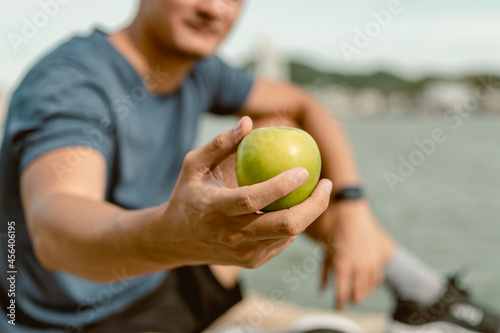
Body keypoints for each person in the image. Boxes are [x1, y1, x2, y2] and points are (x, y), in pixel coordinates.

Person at [0, 1, 498, 332]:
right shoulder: (71, 83)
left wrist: (354, 207)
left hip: (161, 281)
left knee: (279, 138)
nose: (217, 8)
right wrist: (178, 237)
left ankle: (424, 294)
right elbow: (56, 229)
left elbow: (302, 103)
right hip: (71, 316)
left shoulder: (196, 67)